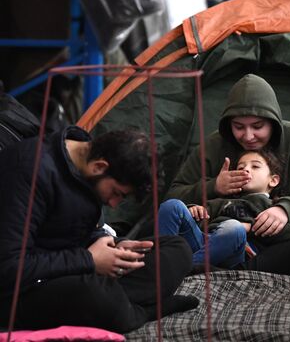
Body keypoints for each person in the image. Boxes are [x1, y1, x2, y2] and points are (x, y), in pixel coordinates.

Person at [0, 126, 198, 333]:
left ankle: (120, 305)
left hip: (71, 268)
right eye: (116, 193)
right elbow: (8, 267)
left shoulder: (88, 164)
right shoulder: (28, 171)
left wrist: (111, 245)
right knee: (95, 295)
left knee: (177, 249)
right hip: (20, 291)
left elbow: (76, 229)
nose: (113, 204)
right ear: (99, 167)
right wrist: (89, 260)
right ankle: (139, 312)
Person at [165, 73, 290, 278]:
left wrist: (285, 210)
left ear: (273, 122)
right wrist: (214, 187)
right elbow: (174, 197)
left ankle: (231, 272)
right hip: (218, 238)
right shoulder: (214, 145)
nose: (248, 136)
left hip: (277, 243)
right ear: (228, 124)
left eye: (257, 126)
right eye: (239, 127)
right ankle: (218, 268)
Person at [159, 149, 290, 268]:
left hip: (233, 254)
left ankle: (180, 269)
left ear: (273, 180)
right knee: (173, 205)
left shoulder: (274, 208)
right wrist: (194, 210)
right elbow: (202, 216)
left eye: (255, 166)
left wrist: (250, 227)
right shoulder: (224, 200)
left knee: (233, 227)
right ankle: (162, 263)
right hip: (203, 243)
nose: (246, 170)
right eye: (241, 167)